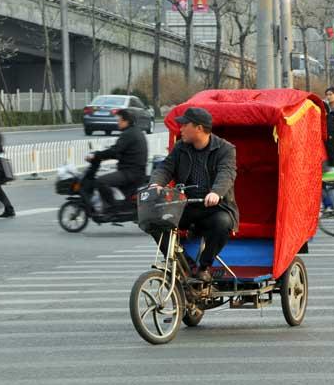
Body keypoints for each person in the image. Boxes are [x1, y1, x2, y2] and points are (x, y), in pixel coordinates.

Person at [149, 108, 238, 283]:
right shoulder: (181, 147)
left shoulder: (225, 149)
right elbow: (166, 168)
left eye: (184, 125)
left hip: (214, 207)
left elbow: (226, 173)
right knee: (154, 221)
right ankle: (185, 264)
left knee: (223, 223)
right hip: (186, 205)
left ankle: (204, 267)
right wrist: (156, 183)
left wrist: (215, 193)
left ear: (198, 128)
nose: (180, 128)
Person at [87, 108, 148, 213]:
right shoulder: (135, 132)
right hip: (136, 171)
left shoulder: (128, 134)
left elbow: (115, 150)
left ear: (126, 121)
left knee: (101, 182)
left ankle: (112, 207)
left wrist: (97, 155)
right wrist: (103, 155)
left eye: (119, 120)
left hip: (130, 172)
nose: (117, 123)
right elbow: (122, 153)